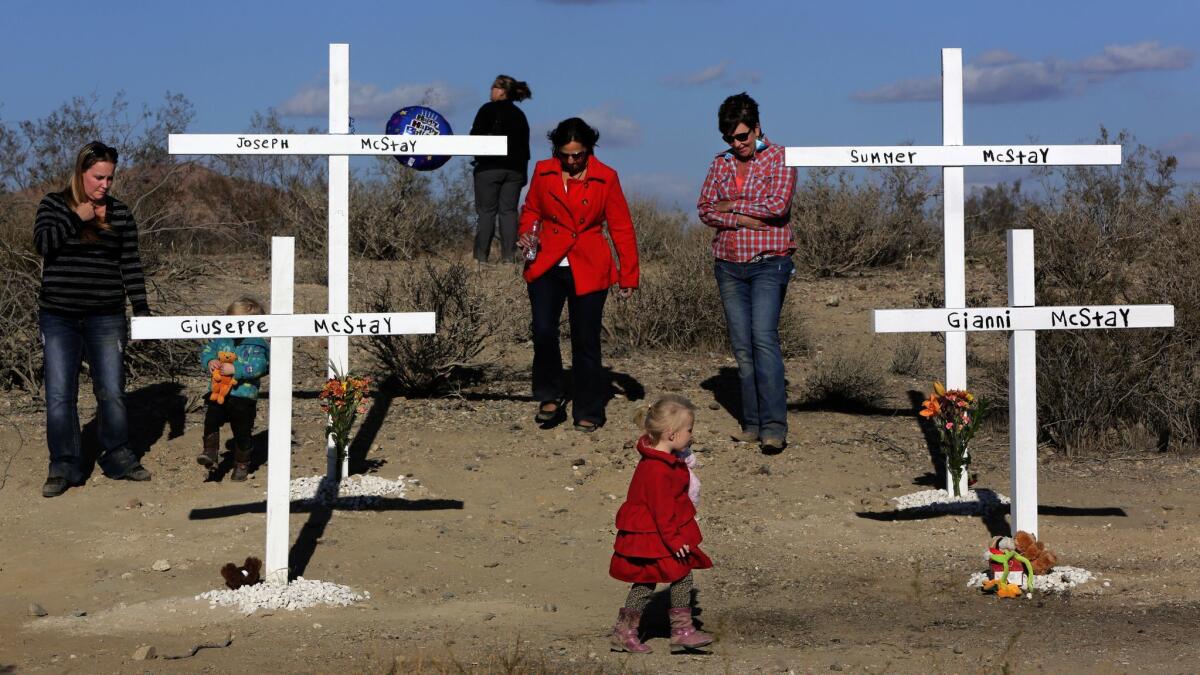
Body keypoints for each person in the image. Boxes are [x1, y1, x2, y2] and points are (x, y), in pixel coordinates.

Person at [33, 141, 152, 497]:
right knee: (59, 393)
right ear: (81, 172)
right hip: (59, 316)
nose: (105, 184)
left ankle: (118, 456)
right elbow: (43, 244)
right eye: (98, 177)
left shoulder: (121, 213)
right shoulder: (53, 205)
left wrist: (142, 310)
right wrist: (77, 218)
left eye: (110, 178)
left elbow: (130, 263)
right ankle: (64, 465)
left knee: (112, 391)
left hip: (106, 315)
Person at [516, 118, 639, 432]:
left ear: (589, 150)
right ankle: (549, 394)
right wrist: (527, 233)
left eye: (578, 155)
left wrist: (628, 275)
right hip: (547, 262)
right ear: (556, 149)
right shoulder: (543, 171)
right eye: (565, 154)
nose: (571, 161)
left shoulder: (606, 177)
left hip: (589, 264)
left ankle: (588, 408)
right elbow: (531, 209)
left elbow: (621, 227)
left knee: (586, 341)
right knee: (543, 330)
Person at [696, 93, 798, 454]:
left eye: (742, 136)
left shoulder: (782, 157)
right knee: (742, 346)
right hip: (728, 265)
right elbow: (705, 209)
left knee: (763, 338)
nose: (736, 145)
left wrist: (730, 205)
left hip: (769, 261)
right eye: (729, 139)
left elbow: (777, 206)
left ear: (757, 127)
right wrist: (740, 218)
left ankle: (774, 426)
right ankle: (752, 424)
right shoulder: (719, 163)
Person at [608, 394, 714, 654]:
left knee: (662, 579)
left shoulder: (663, 461)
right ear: (670, 434)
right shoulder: (657, 470)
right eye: (688, 430)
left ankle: (637, 631)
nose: (692, 435)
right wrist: (676, 540)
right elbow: (662, 511)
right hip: (653, 535)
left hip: (655, 533)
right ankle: (677, 631)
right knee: (667, 578)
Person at [198, 298, 270, 481]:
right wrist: (210, 361)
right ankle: (210, 451)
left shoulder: (257, 344)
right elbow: (207, 351)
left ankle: (242, 463)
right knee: (211, 419)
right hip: (219, 390)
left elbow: (261, 366)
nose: (234, 326)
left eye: (240, 322)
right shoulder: (222, 338)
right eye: (231, 321)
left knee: (242, 431)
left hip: (244, 396)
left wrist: (236, 370)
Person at [471, 74, 532, 263]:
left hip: (489, 167)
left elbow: (475, 137)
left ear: (502, 91)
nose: (491, 91)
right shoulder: (520, 115)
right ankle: (509, 257)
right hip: (514, 169)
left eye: (494, 87)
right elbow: (525, 147)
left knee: (487, 212)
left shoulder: (487, 110)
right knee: (509, 212)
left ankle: (481, 258)